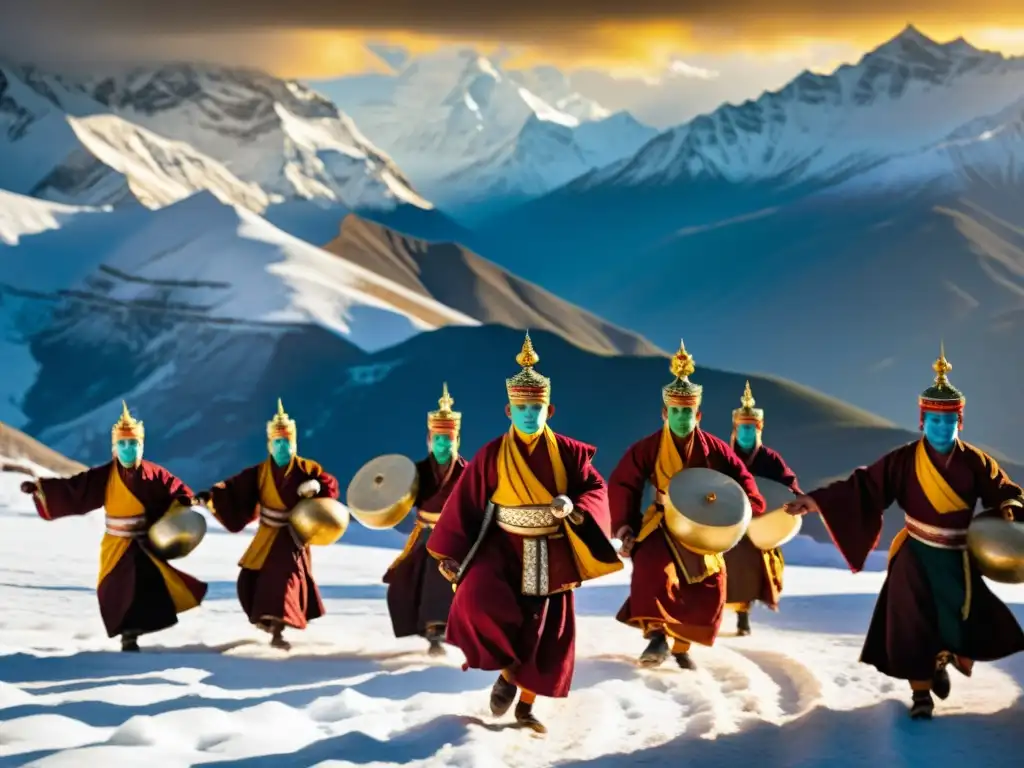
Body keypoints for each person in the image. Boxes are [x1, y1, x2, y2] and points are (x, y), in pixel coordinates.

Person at [785, 346, 1024, 719]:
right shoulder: (903, 460)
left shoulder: (975, 461)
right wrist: (816, 501)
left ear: (959, 422)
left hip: (959, 557)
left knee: (958, 620)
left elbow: (1004, 490)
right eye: (934, 420)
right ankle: (921, 694)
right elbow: (862, 487)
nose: (941, 428)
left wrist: (1010, 507)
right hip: (914, 555)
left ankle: (940, 662)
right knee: (913, 623)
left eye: (949, 422)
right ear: (922, 421)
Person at [427, 332, 622, 733]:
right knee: (479, 597)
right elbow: (466, 503)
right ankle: (506, 672)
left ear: (549, 409)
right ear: (508, 410)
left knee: (546, 631)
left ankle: (526, 705)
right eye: (521, 407)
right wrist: (452, 553)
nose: (529, 414)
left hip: (552, 548)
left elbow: (595, 489)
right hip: (503, 547)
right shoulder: (492, 455)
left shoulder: (568, 452)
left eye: (536, 407)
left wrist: (577, 506)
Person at [609, 341, 765, 669]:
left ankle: (680, 646)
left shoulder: (716, 448)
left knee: (710, 582)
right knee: (652, 568)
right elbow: (625, 481)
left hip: (703, 528)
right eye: (675, 412)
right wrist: (626, 524)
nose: (681, 418)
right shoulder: (648, 447)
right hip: (662, 522)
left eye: (688, 412)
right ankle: (655, 637)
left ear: (699, 414)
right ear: (665, 413)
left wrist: (748, 506)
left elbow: (741, 478)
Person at [17, 402, 207, 651]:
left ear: (141, 446)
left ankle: (134, 633)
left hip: (144, 542)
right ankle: (127, 633)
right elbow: (76, 489)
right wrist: (41, 490)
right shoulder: (105, 475)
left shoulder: (154, 473)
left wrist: (186, 500)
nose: (128, 449)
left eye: (133, 444)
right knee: (115, 589)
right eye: (123, 444)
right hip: (117, 542)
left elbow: (175, 490)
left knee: (146, 587)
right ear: (115, 447)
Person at [203, 399, 339, 650]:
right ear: (269, 444)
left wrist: (317, 487)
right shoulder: (259, 472)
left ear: (294, 443)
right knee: (252, 578)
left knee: (284, 579)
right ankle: (267, 620)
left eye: (286, 442)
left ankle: (278, 627)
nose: (282, 446)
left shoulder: (308, 468)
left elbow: (328, 485)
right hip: (267, 534)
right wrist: (212, 496)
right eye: (277, 442)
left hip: (293, 535)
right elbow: (233, 488)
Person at [383, 383, 467, 656]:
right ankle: (431, 629)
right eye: (438, 439)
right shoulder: (416, 471)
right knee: (411, 580)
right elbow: (399, 500)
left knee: (454, 580)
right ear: (429, 440)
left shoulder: (468, 472)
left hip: (455, 536)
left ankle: (448, 629)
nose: (444, 444)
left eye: (449, 439)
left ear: (457, 441)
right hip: (425, 534)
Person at [724, 381, 802, 636]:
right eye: (742, 428)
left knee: (752, 564)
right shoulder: (724, 455)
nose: (746, 433)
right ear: (735, 428)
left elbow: (787, 483)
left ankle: (743, 614)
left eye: (751, 428)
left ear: (759, 430)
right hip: (729, 520)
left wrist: (795, 499)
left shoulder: (770, 459)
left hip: (760, 523)